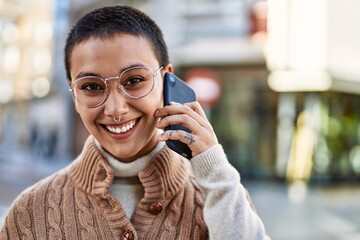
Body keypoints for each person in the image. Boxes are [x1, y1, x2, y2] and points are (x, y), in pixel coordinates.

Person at [0, 5, 270, 240]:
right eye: (92, 87)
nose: (116, 109)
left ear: (166, 80)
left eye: (135, 80)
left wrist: (215, 169)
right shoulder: (30, 212)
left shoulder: (222, 198)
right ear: (73, 94)